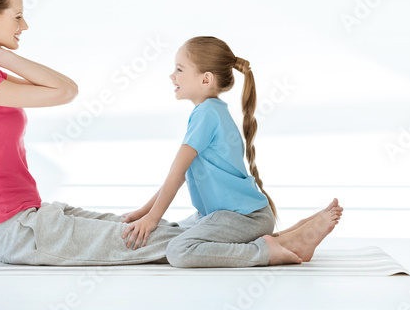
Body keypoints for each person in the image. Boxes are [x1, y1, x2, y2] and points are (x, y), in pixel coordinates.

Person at [0, 0, 341, 267]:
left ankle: (283, 238)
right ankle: (268, 248)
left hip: (30, 215)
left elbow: (65, 89)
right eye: (17, 16)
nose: (25, 25)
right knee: (138, 240)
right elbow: (64, 91)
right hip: (14, 231)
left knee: (144, 227)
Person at [118, 35, 342, 267]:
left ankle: (272, 250)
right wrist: (145, 212)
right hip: (232, 216)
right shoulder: (211, 112)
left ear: (205, 79)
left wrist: (152, 218)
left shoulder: (205, 115)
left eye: (179, 69)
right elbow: (181, 175)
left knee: (178, 250)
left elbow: (177, 173)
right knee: (170, 234)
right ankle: (294, 235)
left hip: (243, 218)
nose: (172, 75)